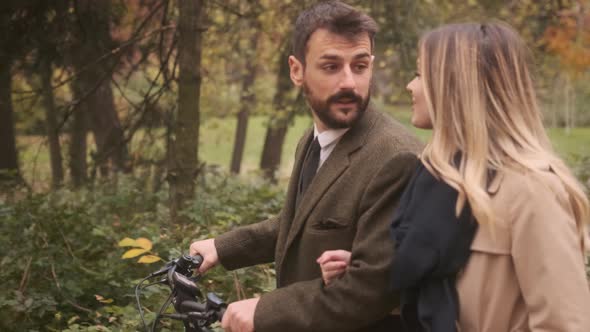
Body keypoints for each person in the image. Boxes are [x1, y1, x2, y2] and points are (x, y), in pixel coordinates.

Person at [319, 22, 590, 331]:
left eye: (421, 75)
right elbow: (441, 288)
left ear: (455, 86)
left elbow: (564, 324)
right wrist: (359, 269)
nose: (411, 85)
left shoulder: (533, 190)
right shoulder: (437, 178)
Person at [189, 1, 423, 332]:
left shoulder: (396, 159)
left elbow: (373, 288)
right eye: (331, 67)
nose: (349, 83)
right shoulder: (313, 140)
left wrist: (265, 310)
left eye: (359, 66)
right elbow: (307, 223)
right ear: (297, 70)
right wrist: (222, 248)